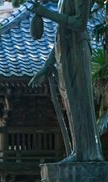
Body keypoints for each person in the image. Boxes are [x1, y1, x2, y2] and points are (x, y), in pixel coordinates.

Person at [28, 0, 103, 162]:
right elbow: (61, 35)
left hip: (78, 47)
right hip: (64, 50)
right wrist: (47, 66)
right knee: (70, 103)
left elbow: (79, 24)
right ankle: (78, 150)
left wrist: (46, 13)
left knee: (80, 101)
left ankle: (88, 151)